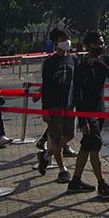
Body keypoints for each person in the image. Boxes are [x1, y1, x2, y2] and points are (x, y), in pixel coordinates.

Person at [67, 30, 109, 197]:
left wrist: (98, 63)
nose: (100, 46)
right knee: (95, 144)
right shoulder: (81, 66)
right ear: (89, 46)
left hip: (100, 109)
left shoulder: (106, 60)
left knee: (87, 146)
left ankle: (75, 181)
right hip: (87, 111)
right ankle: (101, 183)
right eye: (97, 43)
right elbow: (77, 93)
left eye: (102, 43)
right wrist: (82, 119)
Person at [34, 28, 77, 184]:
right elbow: (46, 86)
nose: (66, 41)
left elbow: (75, 83)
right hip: (54, 105)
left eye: (67, 37)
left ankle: (46, 156)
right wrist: (45, 109)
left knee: (69, 135)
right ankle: (62, 169)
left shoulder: (73, 60)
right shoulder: (50, 62)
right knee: (56, 138)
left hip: (69, 104)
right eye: (63, 38)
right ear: (56, 42)